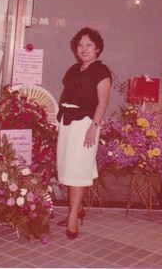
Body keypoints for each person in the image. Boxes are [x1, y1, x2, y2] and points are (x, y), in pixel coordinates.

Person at [56, 27, 112, 239]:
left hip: (86, 125)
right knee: (69, 169)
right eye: (80, 45)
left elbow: (103, 101)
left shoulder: (101, 71)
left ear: (97, 48)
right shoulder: (73, 70)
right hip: (68, 123)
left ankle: (73, 219)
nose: (84, 48)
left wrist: (93, 128)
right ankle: (77, 210)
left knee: (78, 172)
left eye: (88, 45)